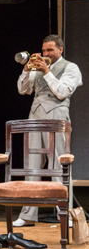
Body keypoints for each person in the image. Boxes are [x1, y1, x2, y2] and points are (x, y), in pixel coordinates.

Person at [13, 34, 82, 227]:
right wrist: (27, 71)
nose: (45, 54)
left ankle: (66, 215)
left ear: (60, 50)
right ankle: (27, 215)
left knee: (59, 166)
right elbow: (23, 90)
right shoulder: (38, 66)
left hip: (57, 117)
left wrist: (47, 72)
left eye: (50, 50)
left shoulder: (71, 68)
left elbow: (62, 92)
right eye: (44, 50)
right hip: (35, 117)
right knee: (31, 165)